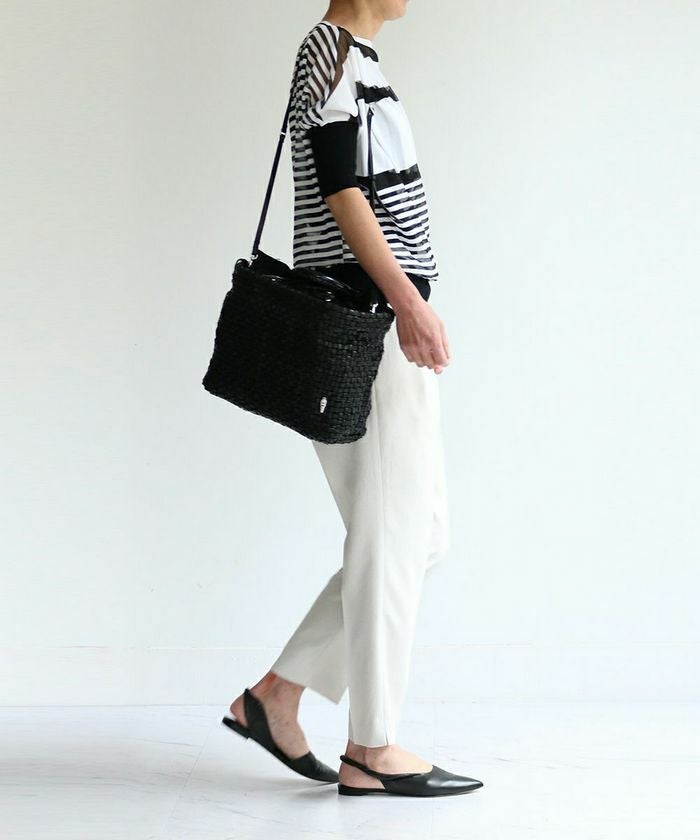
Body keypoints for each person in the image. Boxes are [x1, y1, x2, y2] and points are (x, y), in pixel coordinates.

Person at [223, 0, 484, 798]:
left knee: (417, 536)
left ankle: (276, 696)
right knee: (392, 537)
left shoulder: (355, 58)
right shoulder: (330, 51)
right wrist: (407, 303)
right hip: (367, 326)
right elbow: (343, 190)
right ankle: (372, 747)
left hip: (377, 322)